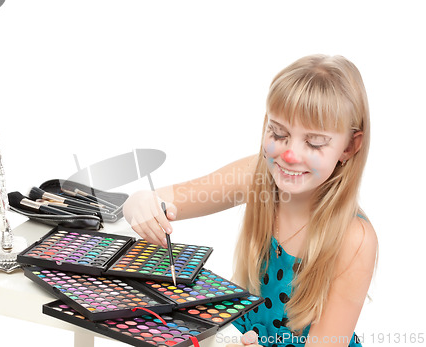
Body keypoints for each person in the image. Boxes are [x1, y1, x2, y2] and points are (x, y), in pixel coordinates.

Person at [122, 54, 378, 347]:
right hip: (240, 334)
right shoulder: (258, 176)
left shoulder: (355, 240)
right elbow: (161, 199)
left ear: (349, 146)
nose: (290, 155)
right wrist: (141, 202)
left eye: (314, 142)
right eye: (278, 132)